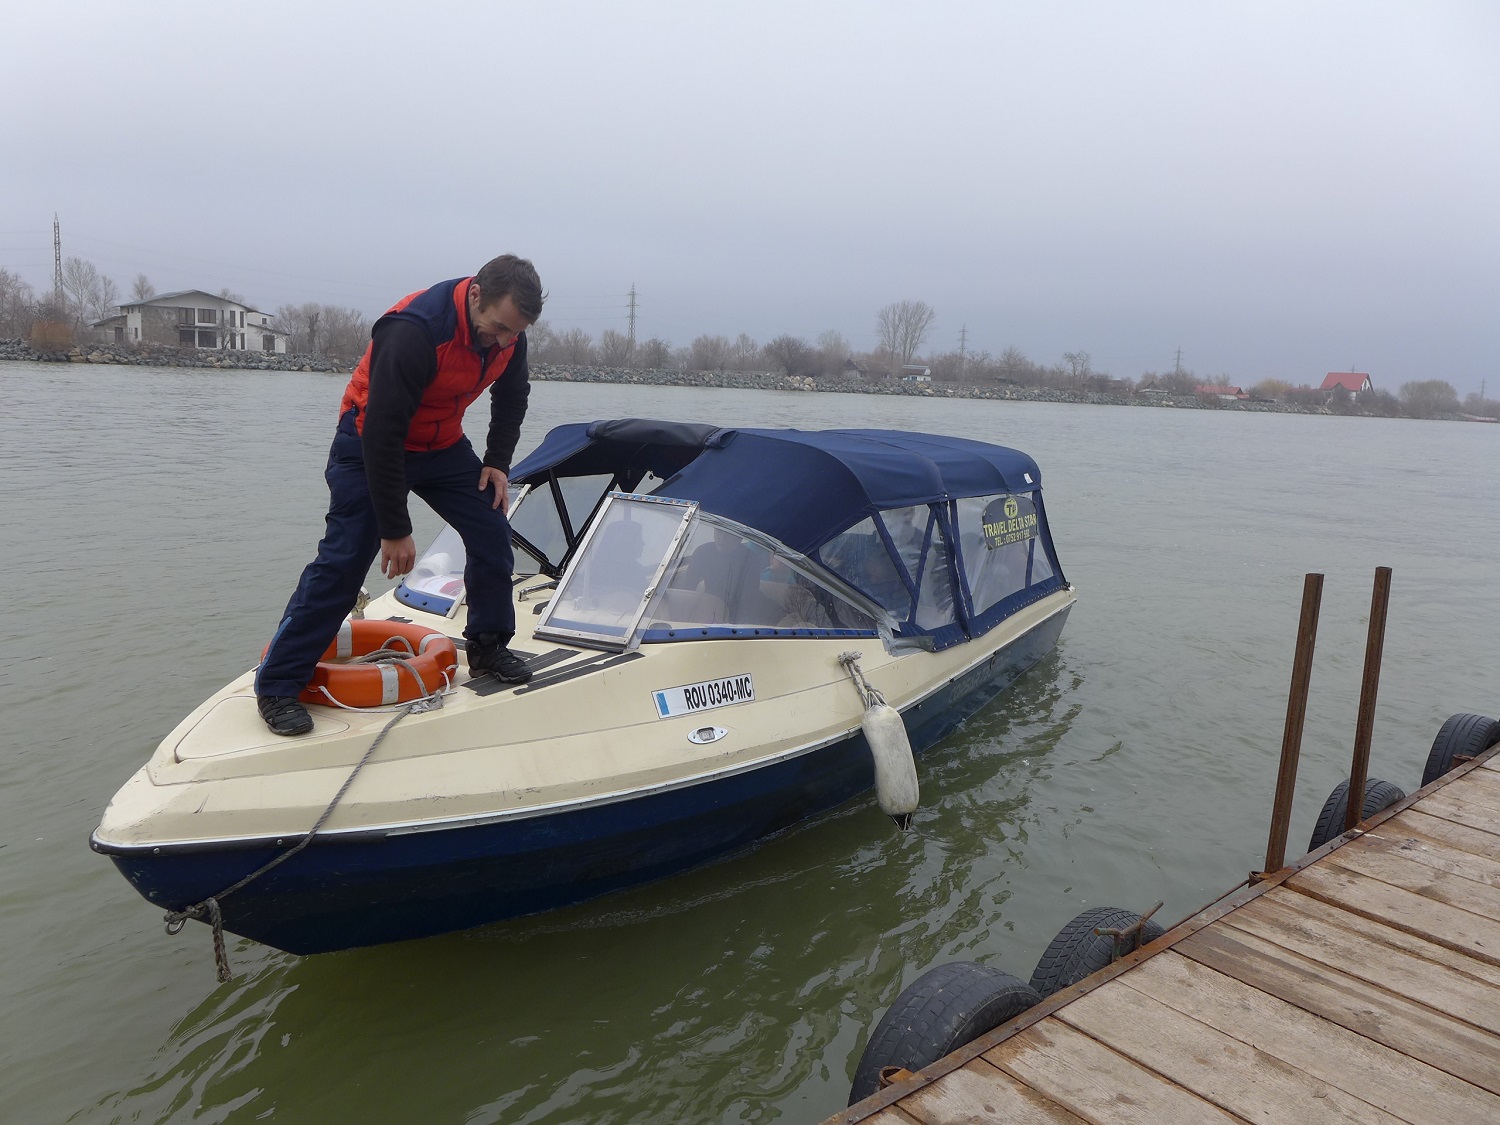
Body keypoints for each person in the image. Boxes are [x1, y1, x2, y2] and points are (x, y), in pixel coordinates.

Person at [255, 255, 544, 736]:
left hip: (442, 443)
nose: (505, 341)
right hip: (369, 440)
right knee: (346, 558)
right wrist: (395, 529)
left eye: (514, 333)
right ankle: (279, 684)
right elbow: (383, 434)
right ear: (475, 295)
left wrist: (497, 460)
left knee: (492, 528)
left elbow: (513, 396)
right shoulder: (415, 330)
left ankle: (489, 645)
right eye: (497, 329)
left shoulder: (508, 334)